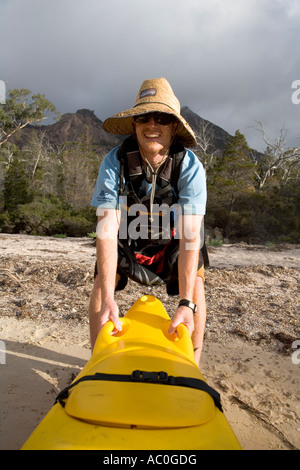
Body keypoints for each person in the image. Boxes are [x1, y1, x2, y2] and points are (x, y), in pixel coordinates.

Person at [89, 77, 208, 364]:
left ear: (174, 126)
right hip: (129, 241)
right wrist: (108, 297)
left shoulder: (189, 166)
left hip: (174, 244)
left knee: (197, 287)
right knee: (100, 283)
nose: (152, 125)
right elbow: (106, 230)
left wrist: (186, 304)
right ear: (134, 124)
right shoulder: (114, 162)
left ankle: (193, 365)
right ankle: (95, 362)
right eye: (144, 117)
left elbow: (192, 234)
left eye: (162, 118)